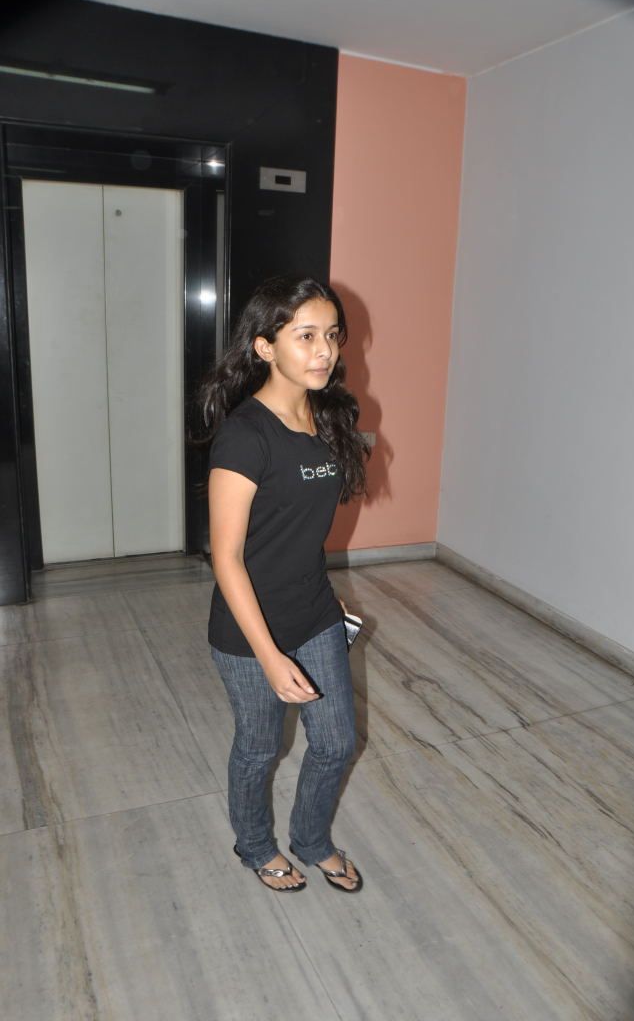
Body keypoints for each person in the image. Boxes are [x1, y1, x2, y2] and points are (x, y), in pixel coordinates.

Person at [197, 276, 371, 893]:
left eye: (332, 335)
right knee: (259, 745)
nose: (324, 351)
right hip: (249, 630)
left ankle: (312, 840)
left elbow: (298, 529)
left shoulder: (328, 416)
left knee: (336, 741)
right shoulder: (245, 435)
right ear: (265, 347)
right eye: (306, 336)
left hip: (315, 610)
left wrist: (320, 591)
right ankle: (254, 845)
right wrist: (271, 657)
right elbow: (226, 558)